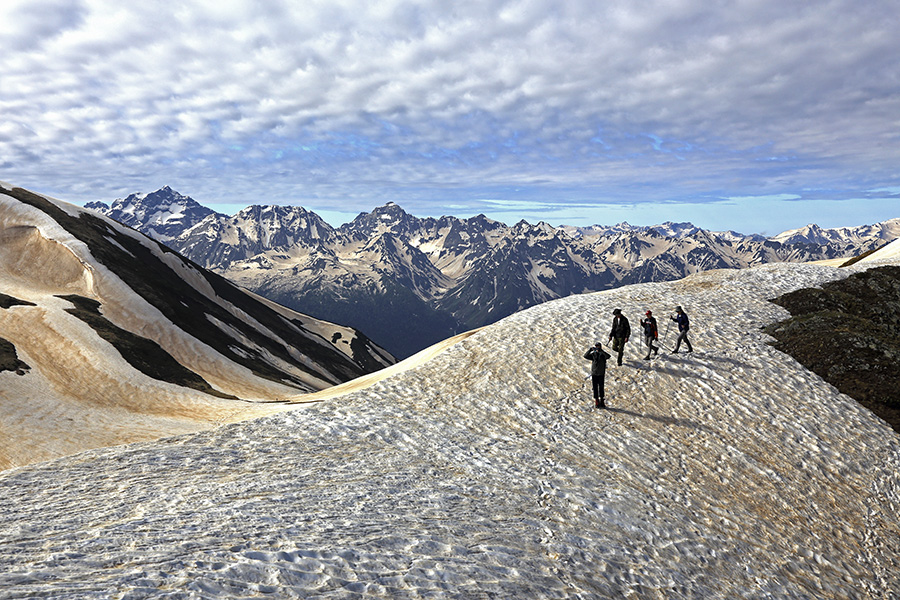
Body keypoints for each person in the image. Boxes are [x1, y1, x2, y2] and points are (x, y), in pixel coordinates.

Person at [583, 342, 611, 408]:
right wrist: (590, 350)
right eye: (596, 346)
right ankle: (596, 400)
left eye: (598, 346)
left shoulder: (603, 354)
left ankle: (602, 400)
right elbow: (585, 356)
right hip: (594, 373)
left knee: (601, 387)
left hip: (601, 373)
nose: (597, 347)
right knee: (595, 388)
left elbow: (608, 356)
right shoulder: (593, 355)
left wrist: (601, 351)